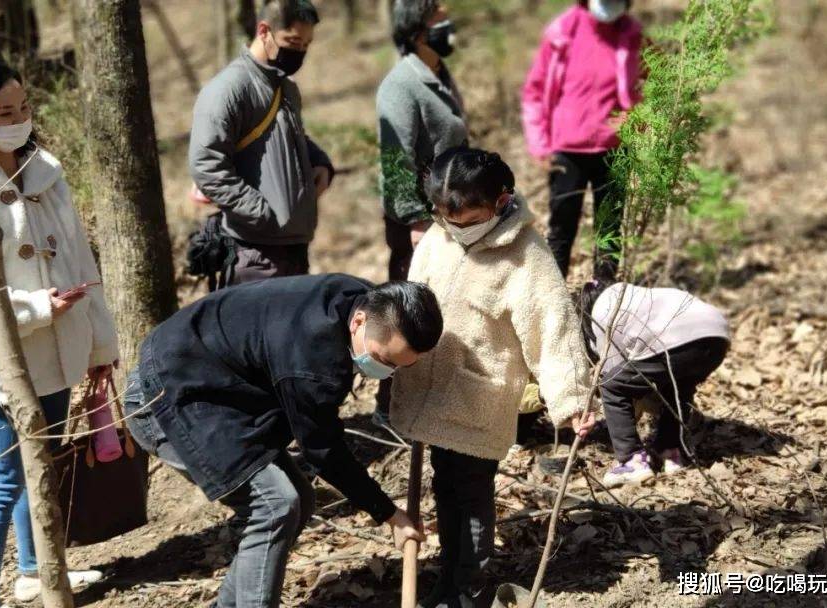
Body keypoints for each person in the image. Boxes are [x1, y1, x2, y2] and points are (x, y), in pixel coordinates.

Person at [121, 274, 441, 608]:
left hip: (210, 378)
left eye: (398, 367)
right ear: (358, 322)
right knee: (275, 505)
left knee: (298, 499)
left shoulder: (365, 299)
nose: (387, 372)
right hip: (165, 396)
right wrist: (390, 514)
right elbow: (324, 451)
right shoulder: (315, 360)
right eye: (384, 360)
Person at [0, 60, 117, 608]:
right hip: (0, 364)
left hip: (59, 353)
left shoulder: (47, 178)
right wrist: (36, 307)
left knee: (45, 464)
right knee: (5, 480)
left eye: (24, 108)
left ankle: (35, 570)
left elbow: (83, 264)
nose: (19, 120)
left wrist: (101, 346)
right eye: (4, 113)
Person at [390, 148, 596, 608]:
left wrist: (572, 401)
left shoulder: (527, 258)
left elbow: (553, 331)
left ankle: (468, 589)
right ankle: (449, 578)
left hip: (478, 399)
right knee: (445, 488)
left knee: (471, 496)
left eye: (469, 218)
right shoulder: (437, 240)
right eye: (447, 218)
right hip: (430, 389)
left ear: (502, 201)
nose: (458, 228)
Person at [189, 0, 334, 285]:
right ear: (264, 31)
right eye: (292, 40)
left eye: (306, 44)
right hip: (253, 252)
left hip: (294, 246)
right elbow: (206, 165)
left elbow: (291, 137)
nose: (299, 51)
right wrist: (262, 214)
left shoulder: (286, 86)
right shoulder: (228, 89)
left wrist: (320, 162)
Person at [374, 0, 467, 425]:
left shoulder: (439, 76)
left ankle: (433, 395)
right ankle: (388, 407)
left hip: (449, 218)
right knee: (405, 313)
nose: (447, 22)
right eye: (437, 17)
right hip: (417, 223)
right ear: (416, 30)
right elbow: (395, 159)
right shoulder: (400, 85)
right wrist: (414, 219)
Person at [521, 0, 644, 281]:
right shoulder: (563, 31)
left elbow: (651, 82)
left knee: (609, 233)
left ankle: (603, 303)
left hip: (614, 149)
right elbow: (535, 91)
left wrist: (637, 117)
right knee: (561, 230)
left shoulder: (631, 33)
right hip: (567, 151)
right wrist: (540, 144)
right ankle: (554, 304)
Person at [581, 280, 730, 487]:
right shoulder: (635, 293)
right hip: (717, 335)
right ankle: (670, 450)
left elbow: (614, 375)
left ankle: (632, 461)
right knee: (678, 386)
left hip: (680, 340)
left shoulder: (602, 311)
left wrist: (612, 422)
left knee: (611, 386)